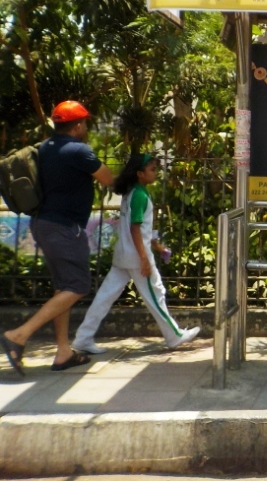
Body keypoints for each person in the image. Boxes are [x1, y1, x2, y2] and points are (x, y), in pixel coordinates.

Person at [1, 101, 113, 375]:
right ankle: (18, 335)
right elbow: (108, 178)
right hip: (64, 228)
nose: (86, 127)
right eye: (85, 123)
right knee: (78, 285)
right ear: (78, 125)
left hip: (44, 223)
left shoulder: (45, 147)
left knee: (63, 287)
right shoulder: (78, 150)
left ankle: (63, 353)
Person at [72, 153, 200, 354]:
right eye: (152, 169)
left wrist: (157, 246)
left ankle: (83, 338)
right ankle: (174, 336)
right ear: (140, 173)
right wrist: (144, 259)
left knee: (104, 297)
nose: (155, 172)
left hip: (123, 255)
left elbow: (139, 228)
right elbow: (135, 228)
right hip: (136, 257)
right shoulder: (140, 195)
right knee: (156, 294)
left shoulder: (131, 192)